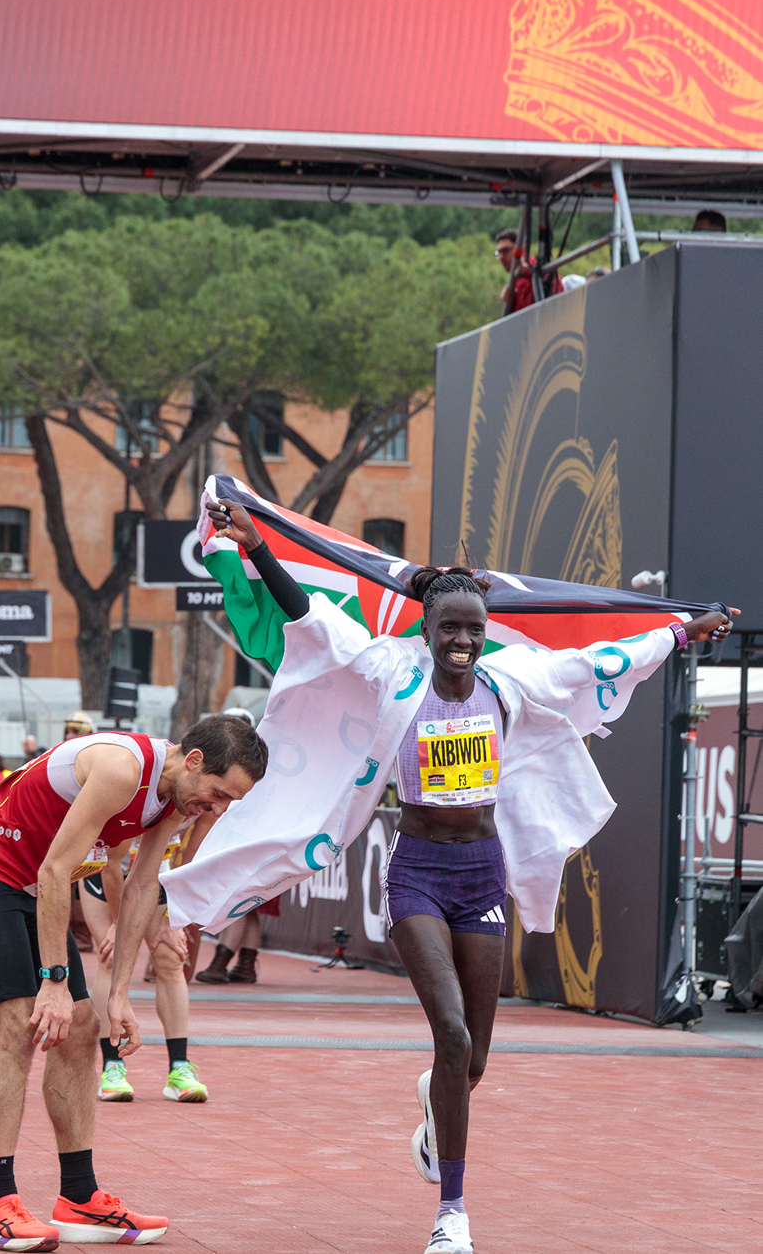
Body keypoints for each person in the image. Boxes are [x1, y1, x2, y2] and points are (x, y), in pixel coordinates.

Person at [196, 499, 736, 1254]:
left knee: (471, 1059)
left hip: (483, 877)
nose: (462, 641)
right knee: (449, 1034)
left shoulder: (509, 682)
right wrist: (256, 549)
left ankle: (435, 1103)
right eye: (449, 627)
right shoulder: (391, 670)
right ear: (426, 626)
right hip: (417, 873)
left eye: (473, 630)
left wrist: (681, 632)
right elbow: (312, 617)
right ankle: (452, 1214)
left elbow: (600, 659)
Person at [0, 714, 267, 1251]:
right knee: (17, 1024)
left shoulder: (176, 796)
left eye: (230, 803)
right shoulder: (124, 768)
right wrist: (54, 979)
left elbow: (144, 883)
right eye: (217, 794)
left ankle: (78, 1196)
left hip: (33, 888)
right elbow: (56, 872)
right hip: (10, 879)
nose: (215, 809)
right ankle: (0, 1201)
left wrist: (119, 992)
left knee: (80, 1029)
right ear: (193, 761)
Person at [80, 829, 213, 1104]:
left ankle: (179, 1068)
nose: (218, 805)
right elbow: (112, 867)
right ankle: (112, 1067)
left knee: (170, 958)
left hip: (154, 872)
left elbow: (180, 860)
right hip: (105, 867)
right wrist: (120, 926)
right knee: (111, 958)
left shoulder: (207, 802)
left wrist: (168, 918)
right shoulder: (139, 796)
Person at [494, 228, 563, 314]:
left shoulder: (542, 271)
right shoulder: (515, 281)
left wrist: (528, 272)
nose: (501, 257)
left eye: (505, 250)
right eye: (498, 253)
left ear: (522, 248)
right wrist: (509, 301)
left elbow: (556, 296)